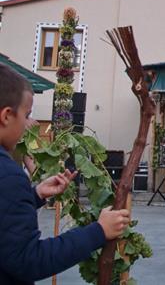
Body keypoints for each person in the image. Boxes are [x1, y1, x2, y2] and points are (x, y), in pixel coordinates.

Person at [0, 63, 130, 284]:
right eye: (27, 114)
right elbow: (28, 260)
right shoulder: (9, 176)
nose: (30, 123)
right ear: (6, 115)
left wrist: (35, 195)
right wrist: (98, 231)